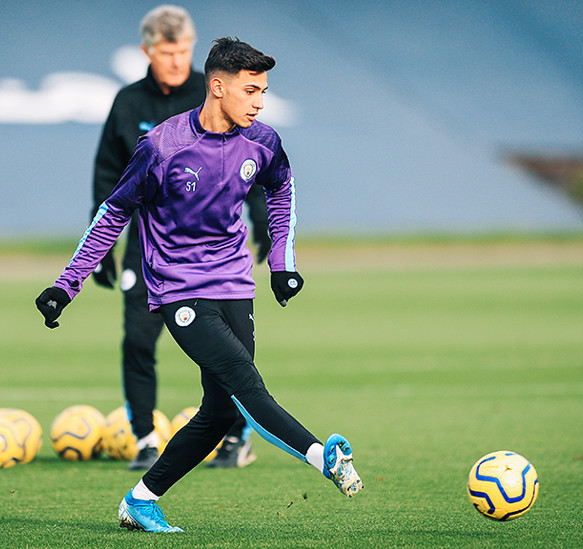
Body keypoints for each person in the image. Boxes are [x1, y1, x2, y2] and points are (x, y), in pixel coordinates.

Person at [37, 37, 362, 533]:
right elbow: (113, 214)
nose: (259, 101)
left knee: (219, 410)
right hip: (178, 287)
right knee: (245, 382)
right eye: (251, 90)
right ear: (217, 87)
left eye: (264, 91)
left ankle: (140, 501)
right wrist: (67, 285)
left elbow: (280, 193)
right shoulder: (162, 147)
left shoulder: (265, 141)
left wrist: (281, 262)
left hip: (234, 283)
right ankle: (325, 457)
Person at [91, 5, 269, 471]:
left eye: (184, 51)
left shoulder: (215, 91)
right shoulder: (128, 103)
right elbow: (109, 173)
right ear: (148, 51)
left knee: (226, 355)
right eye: (167, 52)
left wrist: (264, 222)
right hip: (150, 250)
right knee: (137, 340)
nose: (176, 60)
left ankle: (235, 437)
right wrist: (101, 246)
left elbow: (247, 166)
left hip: (214, 254)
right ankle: (146, 438)